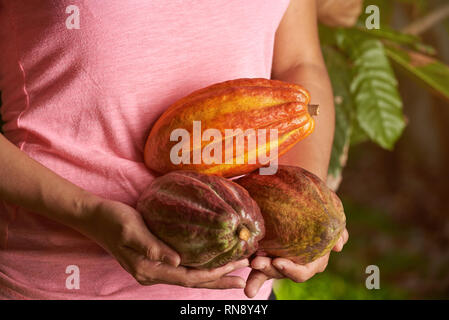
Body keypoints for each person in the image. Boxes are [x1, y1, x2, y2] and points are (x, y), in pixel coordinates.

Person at [0, 0, 348, 300]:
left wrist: (303, 204)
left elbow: (299, 63)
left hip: (234, 289)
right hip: (58, 279)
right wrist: (86, 214)